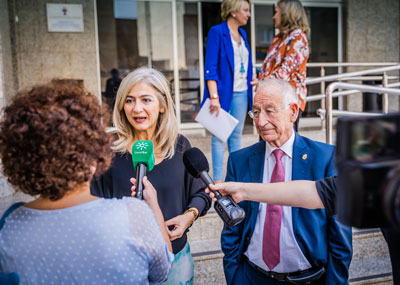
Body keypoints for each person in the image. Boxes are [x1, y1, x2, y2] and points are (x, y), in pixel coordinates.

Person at [0, 83, 173, 284]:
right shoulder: (133, 214)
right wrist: (154, 209)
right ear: (93, 150)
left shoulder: (8, 225)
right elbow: (163, 272)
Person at [220, 78, 352, 284]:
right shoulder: (239, 160)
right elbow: (232, 227)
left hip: (309, 278)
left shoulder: (325, 158)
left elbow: (340, 239)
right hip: (252, 276)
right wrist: (235, 276)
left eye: (269, 110)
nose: (260, 121)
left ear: (293, 111)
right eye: (255, 112)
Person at [91, 67, 211, 284]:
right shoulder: (107, 150)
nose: (137, 108)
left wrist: (189, 215)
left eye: (146, 100)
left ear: (162, 105)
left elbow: (202, 193)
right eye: (129, 100)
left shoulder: (180, 146)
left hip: (176, 259)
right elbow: (91, 204)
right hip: (122, 261)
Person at [202, 0, 253, 182]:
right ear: (233, 11)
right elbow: (210, 68)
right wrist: (213, 97)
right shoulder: (217, 32)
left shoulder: (243, 34)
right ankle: (217, 181)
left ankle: (235, 179)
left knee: (236, 136)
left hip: (241, 93)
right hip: (222, 94)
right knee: (220, 137)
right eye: (245, 10)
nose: (248, 14)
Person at [252, 0, 310, 131]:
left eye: (276, 12)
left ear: (287, 13)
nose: (273, 16)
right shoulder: (278, 38)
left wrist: (261, 82)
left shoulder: (298, 38)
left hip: (286, 101)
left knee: (284, 145)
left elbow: (284, 71)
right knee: (267, 142)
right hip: (271, 99)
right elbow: (268, 67)